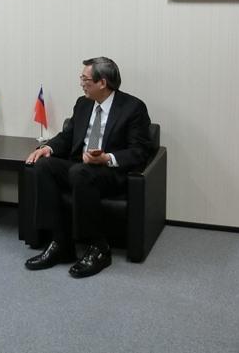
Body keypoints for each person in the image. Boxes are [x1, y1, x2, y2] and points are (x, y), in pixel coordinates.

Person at [24, 57, 152, 278]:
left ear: (102, 83)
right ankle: (60, 243)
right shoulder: (83, 104)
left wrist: (106, 158)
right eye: (81, 78)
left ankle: (99, 247)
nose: (81, 83)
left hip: (110, 172)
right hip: (80, 167)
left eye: (85, 79)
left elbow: (139, 151)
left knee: (79, 172)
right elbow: (67, 136)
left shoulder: (133, 108)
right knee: (44, 166)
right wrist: (48, 148)